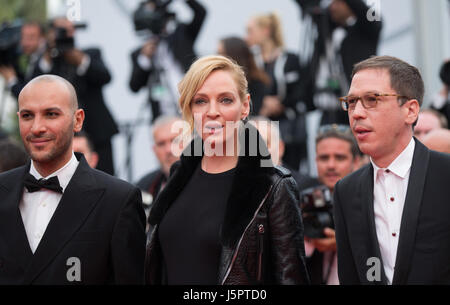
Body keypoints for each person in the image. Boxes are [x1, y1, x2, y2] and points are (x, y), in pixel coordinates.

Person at [145, 55, 309, 285]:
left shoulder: (273, 185)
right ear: (189, 109)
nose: (213, 111)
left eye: (225, 100)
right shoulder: (178, 175)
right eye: (201, 101)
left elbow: (291, 279)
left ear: (244, 106)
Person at [0, 75, 146, 284]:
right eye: (27, 116)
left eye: (51, 114)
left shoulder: (118, 201)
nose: (37, 127)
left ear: (77, 120)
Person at [334, 55, 450, 284]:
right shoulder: (346, 191)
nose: (356, 113)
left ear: (410, 110)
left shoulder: (445, 175)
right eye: (352, 101)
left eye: (372, 100)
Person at [31, 17, 118, 176]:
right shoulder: (49, 61)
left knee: (107, 177)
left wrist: (79, 60)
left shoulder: (90, 53)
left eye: (69, 29)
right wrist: (48, 53)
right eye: (61, 30)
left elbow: (105, 77)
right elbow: (35, 86)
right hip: (64, 133)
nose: (66, 33)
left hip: (97, 130)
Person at [294, 0, 382, 126]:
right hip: (327, 112)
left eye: (338, 2)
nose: (332, 7)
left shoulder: (365, 31)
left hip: (358, 109)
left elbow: (366, 12)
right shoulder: (325, 32)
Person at [246, 12, 307, 171]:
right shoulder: (250, 63)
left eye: (250, 31)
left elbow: (302, 91)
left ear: (265, 31)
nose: (247, 36)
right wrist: (262, 104)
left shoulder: (290, 59)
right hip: (261, 124)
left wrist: (280, 104)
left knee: (290, 171)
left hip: (290, 128)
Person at [129, 0, 206, 122]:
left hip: (194, 110)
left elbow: (201, 13)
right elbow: (134, 86)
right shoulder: (140, 53)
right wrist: (145, 59)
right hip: (165, 118)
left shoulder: (182, 35)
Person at [303, 124, 360, 285]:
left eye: (340, 157)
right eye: (324, 158)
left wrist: (343, 244)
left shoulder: (370, 201)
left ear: (356, 162)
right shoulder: (303, 200)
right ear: (315, 161)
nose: (331, 165)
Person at [135, 115, 184, 228]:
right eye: (161, 144)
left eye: (175, 140)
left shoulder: (208, 180)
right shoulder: (144, 186)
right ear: (154, 150)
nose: (168, 150)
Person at [218, 37, 270, 116]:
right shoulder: (216, 80)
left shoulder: (256, 83)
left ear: (233, 55)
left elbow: (251, 114)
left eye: (221, 53)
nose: (218, 57)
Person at [0, 21, 46, 98]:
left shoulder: (45, 61)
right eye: (23, 37)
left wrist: (11, 80)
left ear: (42, 38)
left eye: (31, 38)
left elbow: (29, 97)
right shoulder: (32, 58)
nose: (25, 43)